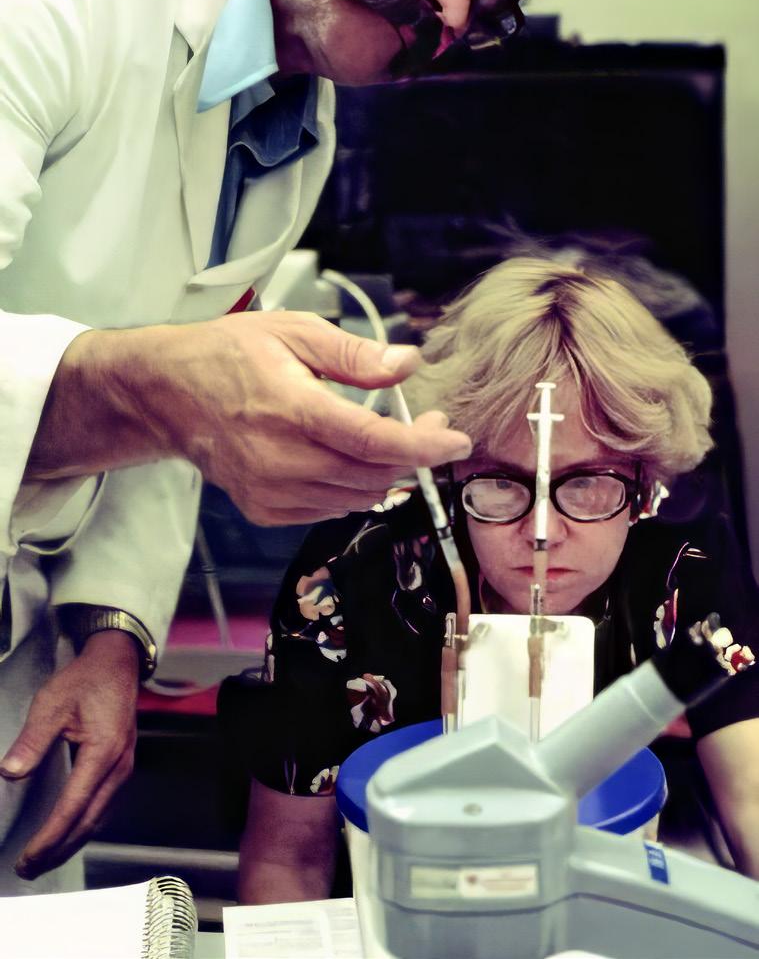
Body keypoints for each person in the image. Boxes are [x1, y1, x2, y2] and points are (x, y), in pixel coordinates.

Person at [0, 0, 583, 889]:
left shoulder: (291, 130)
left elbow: (176, 388)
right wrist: (163, 391)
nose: (452, 4)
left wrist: (112, 630)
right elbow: (171, 388)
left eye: (488, 0)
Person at [232, 256, 759, 903]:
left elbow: (752, 801)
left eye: (588, 484)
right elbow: (286, 861)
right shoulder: (348, 571)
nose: (541, 532)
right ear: (450, 471)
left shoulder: (682, 556)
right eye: (501, 484)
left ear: (644, 478)